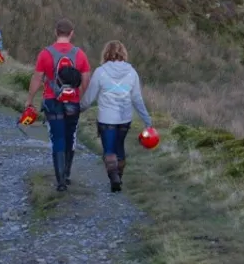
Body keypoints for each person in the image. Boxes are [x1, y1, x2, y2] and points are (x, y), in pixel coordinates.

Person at [25, 18, 91, 192]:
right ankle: (67, 174)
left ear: (56, 32)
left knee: (58, 138)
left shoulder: (45, 54)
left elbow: (37, 79)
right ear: (71, 33)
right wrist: (84, 100)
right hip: (73, 102)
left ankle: (60, 180)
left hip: (52, 101)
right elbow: (85, 80)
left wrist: (29, 99)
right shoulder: (80, 54)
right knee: (70, 137)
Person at [80, 40, 152, 193]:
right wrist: (147, 120)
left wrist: (79, 109)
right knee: (119, 147)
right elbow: (137, 99)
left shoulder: (100, 72)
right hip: (124, 119)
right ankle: (119, 176)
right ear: (124, 53)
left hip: (106, 119)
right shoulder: (132, 73)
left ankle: (114, 177)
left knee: (109, 150)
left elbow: (89, 97)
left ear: (105, 53)